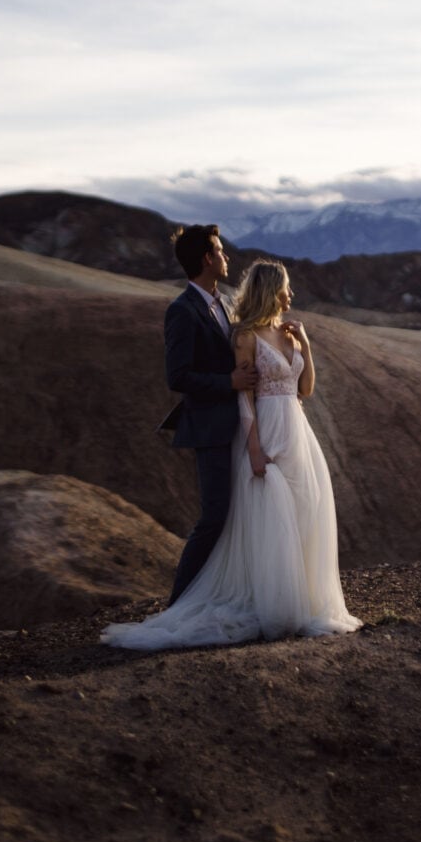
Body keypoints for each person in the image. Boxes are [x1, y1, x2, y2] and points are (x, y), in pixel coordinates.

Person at [101, 259, 361, 649]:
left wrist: (304, 344)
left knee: (304, 513)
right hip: (266, 432)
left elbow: (305, 389)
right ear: (271, 290)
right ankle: (272, 604)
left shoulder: (288, 332)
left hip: (298, 433)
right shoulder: (246, 336)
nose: (291, 295)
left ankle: (304, 602)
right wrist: (254, 449)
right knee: (270, 519)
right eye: (286, 288)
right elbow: (245, 398)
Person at [158, 224, 258, 606]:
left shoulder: (226, 303)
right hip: (210, 428)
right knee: (214, 517)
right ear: (207, 258)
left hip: (239, 423)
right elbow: (177, 376)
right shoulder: (182, 311)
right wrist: (228, 381)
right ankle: (178, 604)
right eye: (220, 250)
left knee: (239, 515)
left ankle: (223, 594)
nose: (226, 256)